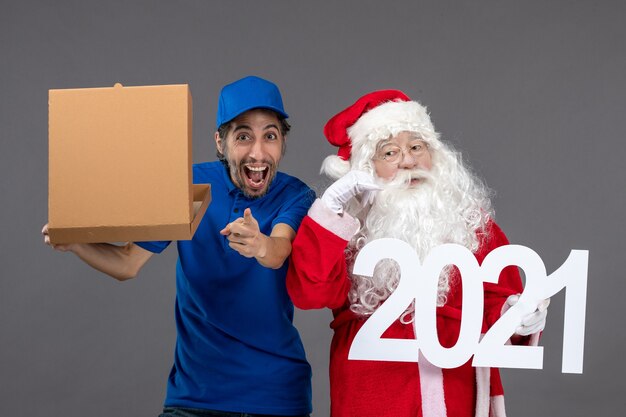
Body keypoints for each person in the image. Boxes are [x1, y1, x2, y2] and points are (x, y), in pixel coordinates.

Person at [43, 76, 314, 417]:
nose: (258, 152)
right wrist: (75, 244)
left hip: (276, 397)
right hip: (196, 397)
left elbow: (279, 250)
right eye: (243, 136)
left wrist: (259, 244)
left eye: (270, 136)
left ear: (282, 142)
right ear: (220, 141)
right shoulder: (190, 186)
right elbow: (128, 263)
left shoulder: (296, 194)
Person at [286, 90, 549, 417]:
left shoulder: (472, 225)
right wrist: (331, 210)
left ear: (434, 155)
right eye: (390, 152)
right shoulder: (348, 229)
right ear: (367, 168)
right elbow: (309, 292)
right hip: (372, 397)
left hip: (458, 394)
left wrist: (517, 315)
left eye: (416, 147)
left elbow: (498, 297)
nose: (407, 161)